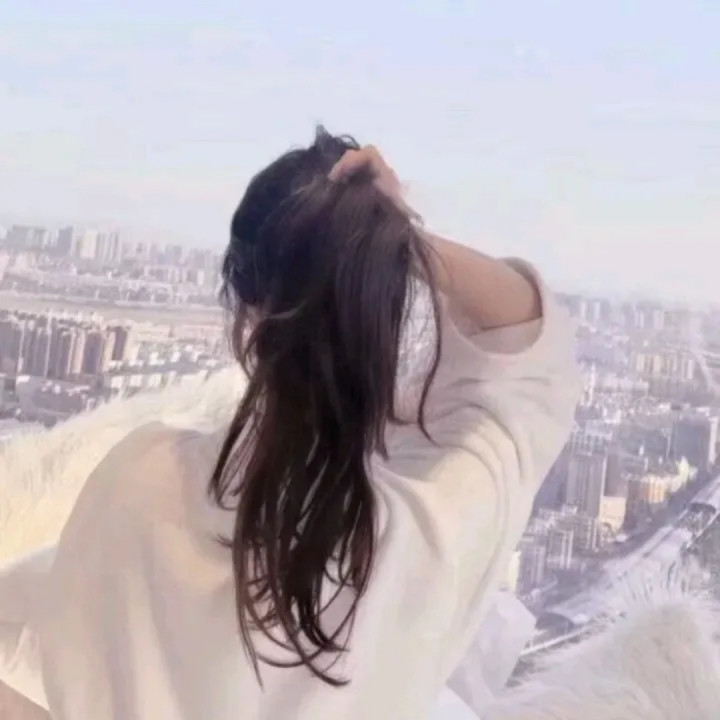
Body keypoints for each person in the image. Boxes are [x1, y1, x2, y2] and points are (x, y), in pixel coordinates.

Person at [29, 128, 580, 719]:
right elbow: (533, 352)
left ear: (246, 322)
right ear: (384, 315)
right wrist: (397, 237)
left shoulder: (138, 481)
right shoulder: (429, 536)